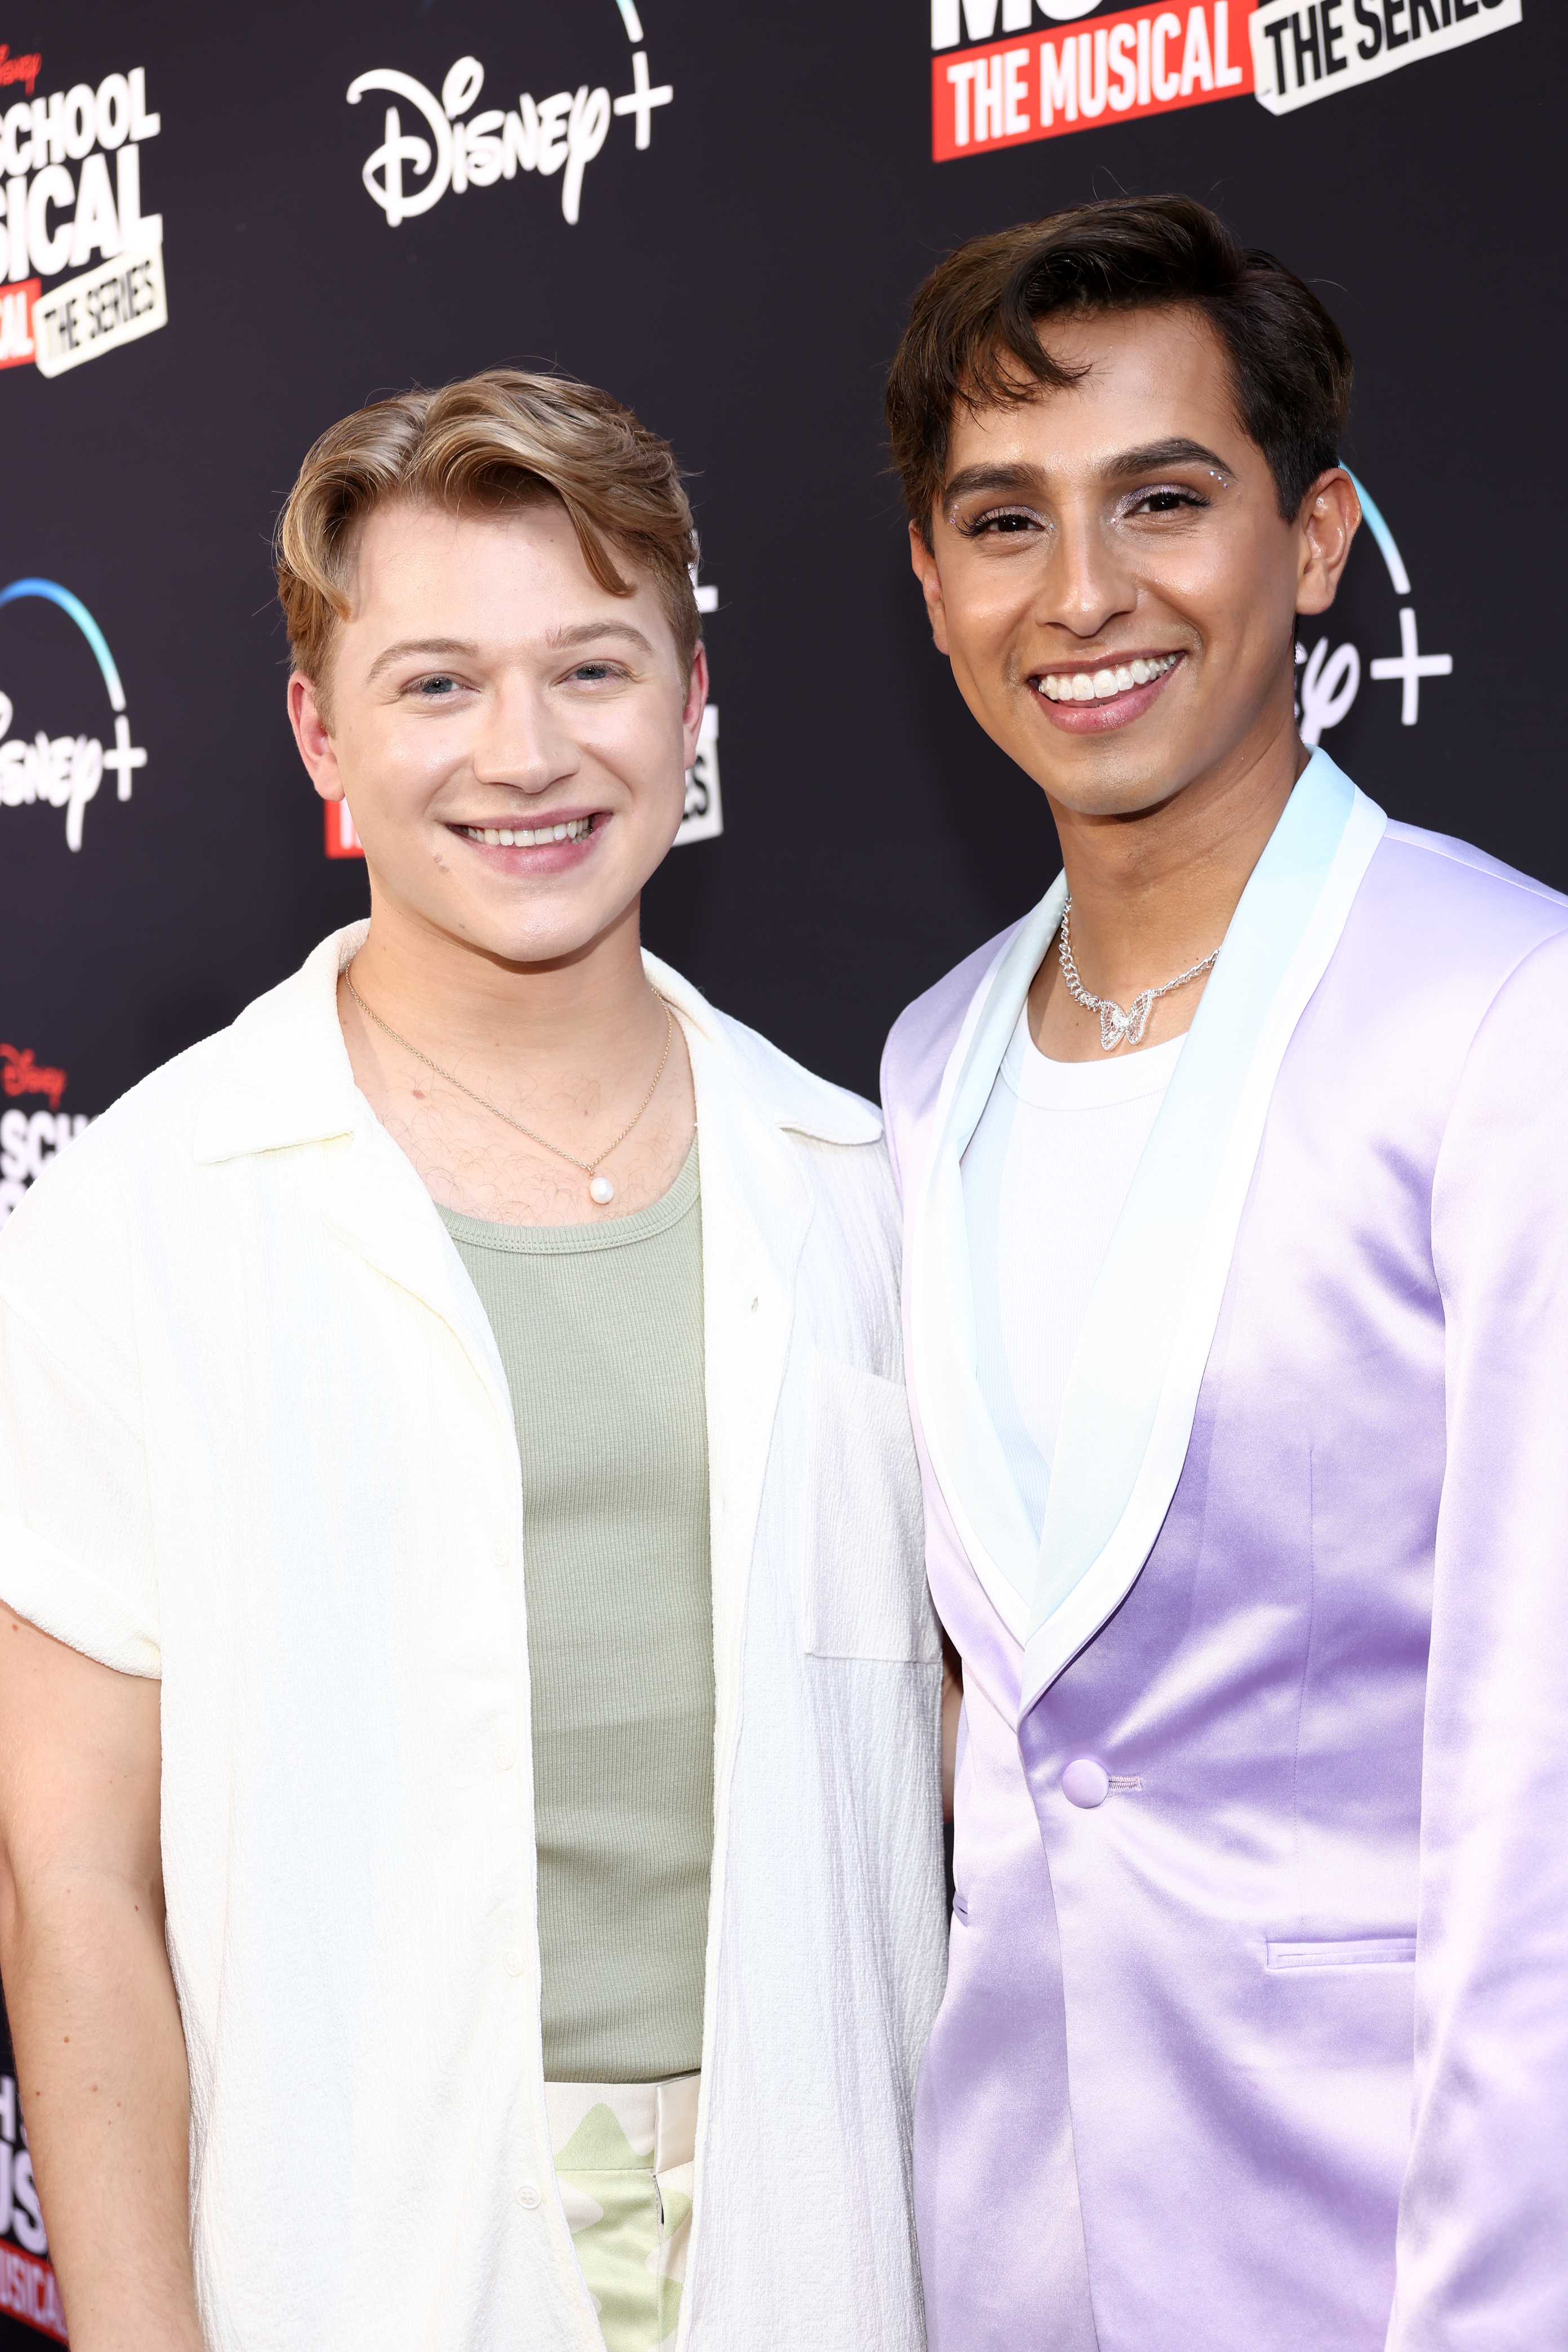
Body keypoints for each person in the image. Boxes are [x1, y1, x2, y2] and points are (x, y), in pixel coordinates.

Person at [0, 371, 946, 2352]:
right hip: (354, 2246)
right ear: (317, 732)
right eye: (435, 684)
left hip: (844, 2229)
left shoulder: (869, 1185)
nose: (527, 755)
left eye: (591, 668)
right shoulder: (140, 1218)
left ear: (692, 708)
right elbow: (73, 1878)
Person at [879, 197, 1568, 2351]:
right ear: (930, 584)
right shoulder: (927, 1063)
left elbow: (1537, 1809)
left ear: (1317, 538)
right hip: (1009, 2253)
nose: (1083, 596)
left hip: (1371, 2256)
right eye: (1004, 521)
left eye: (1163, 500)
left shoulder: (1502, 1017)